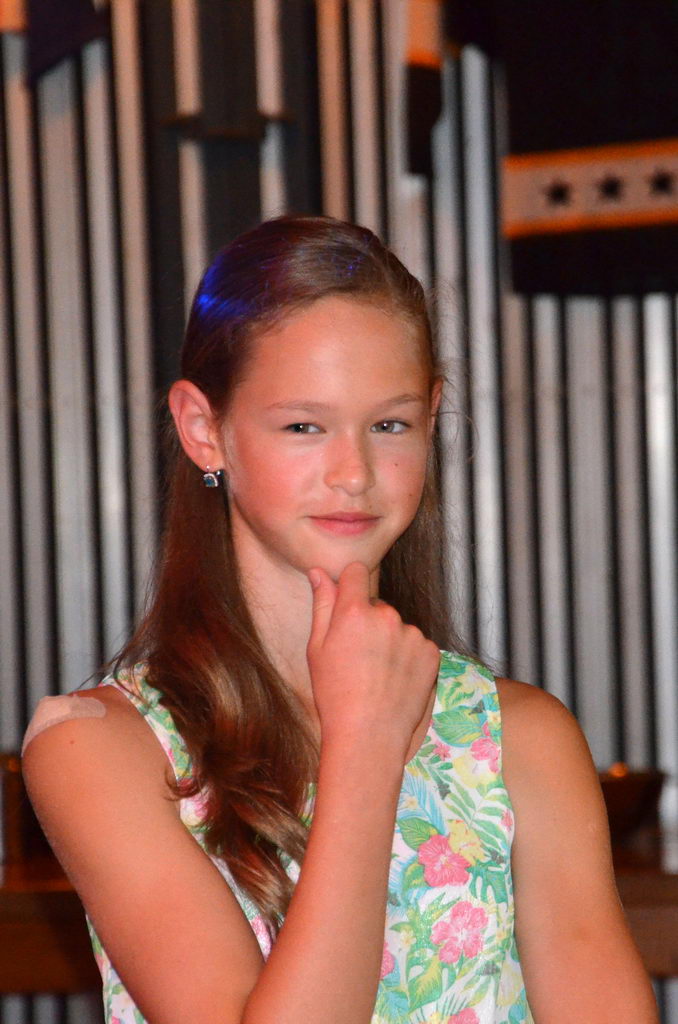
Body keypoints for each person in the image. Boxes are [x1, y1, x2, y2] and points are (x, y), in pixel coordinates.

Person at [23, 216, 657, 1024]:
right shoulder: (102, 749)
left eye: (390, 424)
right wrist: (362, 750)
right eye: (303, 426)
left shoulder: (522, 739)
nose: (354, 472)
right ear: (204, 429)